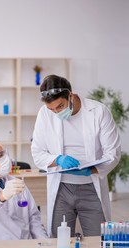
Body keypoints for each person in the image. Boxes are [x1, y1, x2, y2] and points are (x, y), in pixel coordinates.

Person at [31, 74, 121, 237]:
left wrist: (91, 170)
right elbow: (37, 153)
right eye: (52, 109)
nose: (56, 112)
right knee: (59, 241)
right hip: (61, 188)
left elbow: (113, 153)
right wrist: (57, 159)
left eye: (60, 106)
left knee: (98, 239)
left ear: (70, 95)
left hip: (91, 186)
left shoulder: (99, 112)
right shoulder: (45, 114)